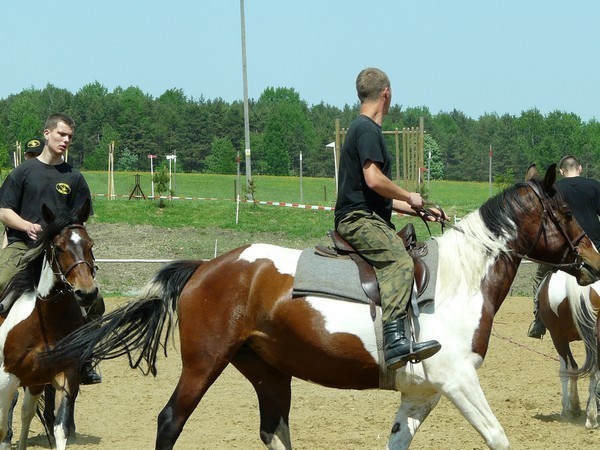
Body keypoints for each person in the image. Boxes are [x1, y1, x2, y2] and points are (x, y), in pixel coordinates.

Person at [334, 68, 441, 370]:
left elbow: (380, 197)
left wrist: (423, 211)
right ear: (386, 93)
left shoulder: (363, 129)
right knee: (399, 262)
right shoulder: (367, 129)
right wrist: (410, 195)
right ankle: (394, 343)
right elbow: (373, 179)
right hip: (357, 219)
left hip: (367, 214)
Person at [0, 113, 104, 384]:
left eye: (70, 136)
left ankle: (85, 362)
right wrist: (25, 225)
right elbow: (4, 210)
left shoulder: (75, 178)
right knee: (1, 281)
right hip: (23, 244)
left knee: (95, 302)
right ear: (47, 134)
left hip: (60, 251)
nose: (66, 140)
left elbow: (80, 218)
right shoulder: (23, 172)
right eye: (61, 134)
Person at [527, 155, 600, 338]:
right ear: (580, 168)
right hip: (594, 246)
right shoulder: (594, 186)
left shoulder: (555, 189)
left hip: (566, 249)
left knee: (539, 276)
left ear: (561, 171)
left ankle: (538, 321)